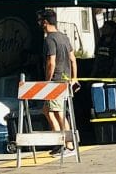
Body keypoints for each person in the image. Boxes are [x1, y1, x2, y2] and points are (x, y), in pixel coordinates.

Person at [38, 9, 77, 157]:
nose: (39, 23)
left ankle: (67, 145)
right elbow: (73, 59)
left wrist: (47, 82)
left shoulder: (49, 39)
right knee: (47, 111)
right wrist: (75, 77)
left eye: (40, 21)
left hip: (55, 81)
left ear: (45, 22)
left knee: (58, 113)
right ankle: (61, 143)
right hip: (65, 79)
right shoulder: (64, 38)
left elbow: (51, 62)